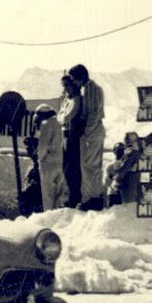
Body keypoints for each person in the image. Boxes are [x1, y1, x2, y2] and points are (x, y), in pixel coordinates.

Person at [69, 63, 105, 210]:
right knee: (90, 165)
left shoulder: (91, 89)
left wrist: (86, 132)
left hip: (93, 132)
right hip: (94, 131)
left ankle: (92, 198)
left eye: (74, 79)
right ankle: (92, 196)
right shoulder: (92, 88)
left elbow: (94, 113)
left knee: (90, 165)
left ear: (81, 77)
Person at [57, 73, 84, 208]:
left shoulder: (77, 99)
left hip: (73, 136)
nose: (66, 88)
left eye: (67, 85)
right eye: (64, 86)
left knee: (73, 167)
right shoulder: (66, 100)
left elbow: (67, 117)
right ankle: (70, 196)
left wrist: (63, 118)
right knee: (65, 167)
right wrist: (62, 118)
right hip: (64, 134)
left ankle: (75, 196)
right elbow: (60, 116)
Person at [34, 105, 67, 209]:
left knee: (47, 195)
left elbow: (43, 145)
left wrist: (40, 158)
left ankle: (48, 216)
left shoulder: (46, 124)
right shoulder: (60, 123)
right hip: (61, 162)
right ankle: (57, 217)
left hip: (48, 164)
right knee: (60, 194)